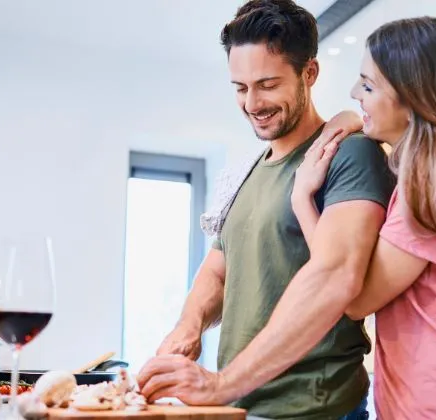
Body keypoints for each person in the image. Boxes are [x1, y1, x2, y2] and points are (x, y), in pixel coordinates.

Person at [136, 1, 395, 418]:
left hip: (315, 409)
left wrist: (221, 384)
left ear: (309, 74)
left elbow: (336, 278)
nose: (252, 103)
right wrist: (189, 326)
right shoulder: (245, 173)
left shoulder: (349, 154)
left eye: (268, 84)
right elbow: (219, 270)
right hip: (241, 408)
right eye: (240, 88)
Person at [292, 17, 436, 420]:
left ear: (411, 98)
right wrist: (357, 121)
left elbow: (355, 297)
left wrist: (302, 200)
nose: (354, 93)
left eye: (367, 86)